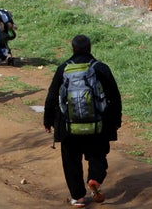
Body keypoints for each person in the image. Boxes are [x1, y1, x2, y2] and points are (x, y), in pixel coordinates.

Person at [43, 35, 122, 208]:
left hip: (68, 126)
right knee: (98, 155)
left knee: (71, 160)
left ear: (72, 48)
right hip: (98, 126)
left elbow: (51, 97)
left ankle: (78, 197)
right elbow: (114, 97)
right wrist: (116, 121)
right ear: (90, 48)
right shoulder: (101, 68)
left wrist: (48, 120)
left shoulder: (63, 69)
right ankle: (94, 178)